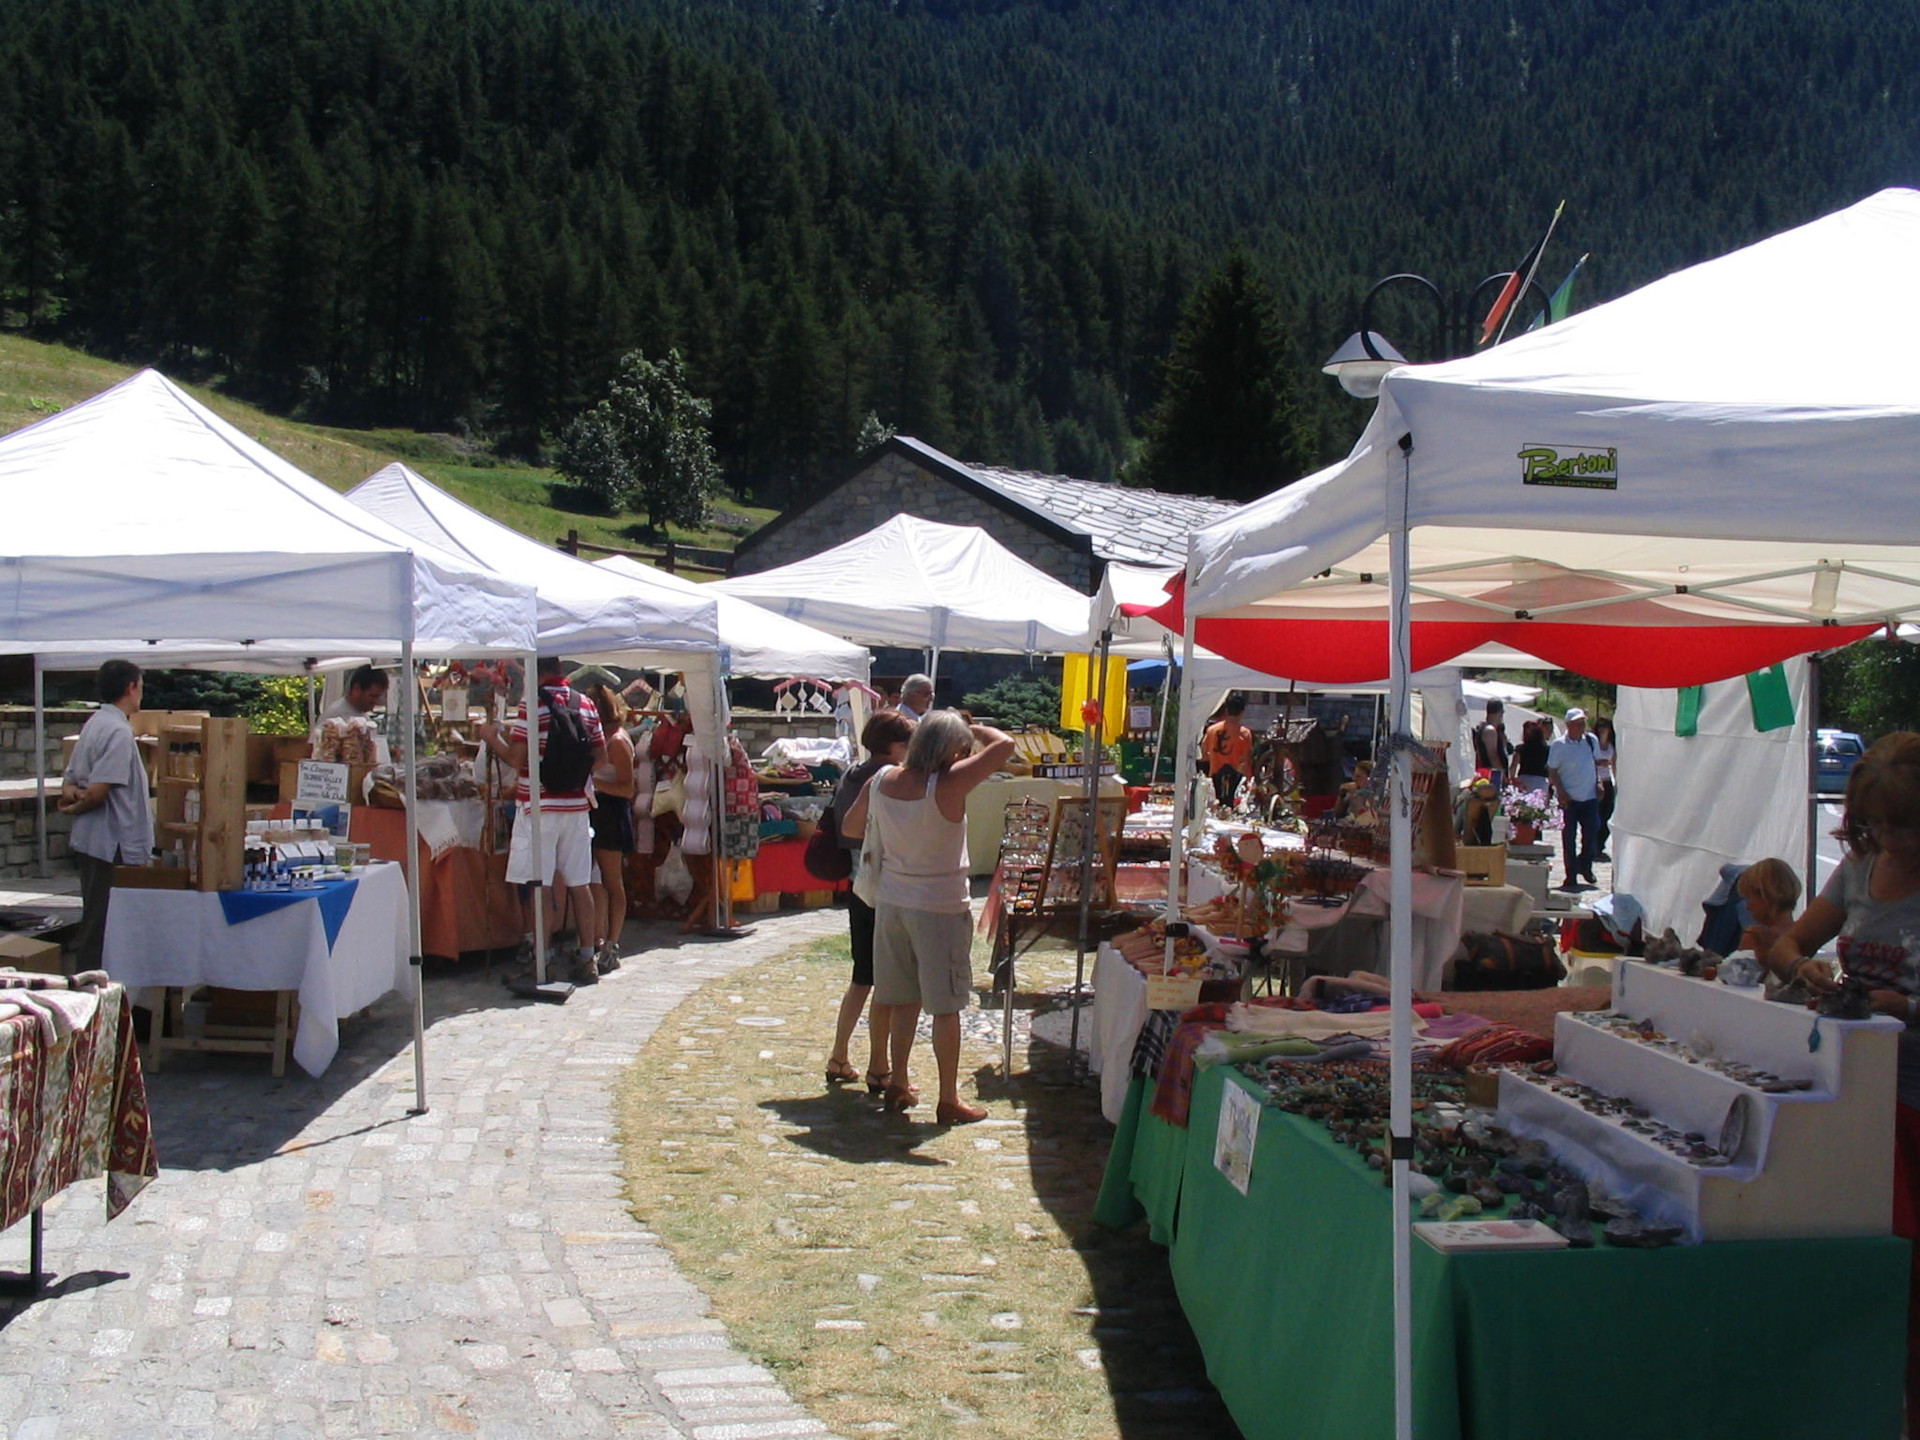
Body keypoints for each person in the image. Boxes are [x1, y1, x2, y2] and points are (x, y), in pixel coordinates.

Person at [1766, 733, 1920, 1416]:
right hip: (1856, 1088)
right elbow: (1790, 940)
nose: (1889, 838)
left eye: (1902, 824)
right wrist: (1802, 965)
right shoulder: (1858, 869)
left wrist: (1907, 1006)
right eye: (1877, 824)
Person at [847, 710, 1015, 1125]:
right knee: (945, 1007)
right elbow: (1005, 746)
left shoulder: (883, 779)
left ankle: (899, 1081)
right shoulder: (950, 782)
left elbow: (852, 827)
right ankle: (947, 1098)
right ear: (950, 748)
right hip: (939, 906)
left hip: (892, 903)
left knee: (901, 998)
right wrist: (970, 725)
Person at [476, 657, 607, 987]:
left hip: (538, 806)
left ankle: (541, 960)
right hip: (577, 806)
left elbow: (517, 759)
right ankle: (587, 956)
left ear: (535, 671)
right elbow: (601, 757)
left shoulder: (532, 706)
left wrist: (491, 738)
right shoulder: (586, 704)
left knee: (539, 884)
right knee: (579, 882)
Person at [824, 709, 917, 1094]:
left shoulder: (853, 773)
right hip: (878, 884)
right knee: (885, 980)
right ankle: (879, 1065)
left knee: (863, 977)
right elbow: (857, 830)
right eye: (906, 743)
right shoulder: (884, 779)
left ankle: (840, 1054)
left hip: (858, 883)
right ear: (893, 746)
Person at [58, 660, 153, 973]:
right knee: (102, 924)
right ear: (131, 687)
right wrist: (77, 803)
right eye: (140, 686)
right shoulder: (116, 731)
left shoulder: (95, 723)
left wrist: (74, 796)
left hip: (96, 840)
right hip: (110, 842)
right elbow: (98, 791)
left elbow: (72, 781)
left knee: (97, 917)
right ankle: (91, 991)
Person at [587, 684, 636, 975]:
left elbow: (628, 788)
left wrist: (595, 784)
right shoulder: (598, 738)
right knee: (593, 879)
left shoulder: (617, 741)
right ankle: (597, 937)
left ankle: (613, 942)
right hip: (594, 809)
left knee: (612, 880)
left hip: (611, 811)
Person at [1548, 707, 1601, 891]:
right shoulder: (1559, 745)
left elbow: (1595, 763)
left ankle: (1585, 865)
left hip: (1589, 797)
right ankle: (1571, 874)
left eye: (1583, 723)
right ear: (1569, 725)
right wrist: (1560, 791)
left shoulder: (1590, 741)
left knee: (1592, 833)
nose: (1581, 726)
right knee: (1568, 837)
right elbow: (1552, 770)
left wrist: (1599, 782)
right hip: (1569, 799)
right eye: (1578, 724)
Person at [1736, 857, 1801, 958]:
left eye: (1749, 898)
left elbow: (1741, 972)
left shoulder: (1756, 937)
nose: (1748, 906)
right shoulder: (1806, 934)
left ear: (1766, 896)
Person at [1203, 693, 1254, 807]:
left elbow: (1203, 751)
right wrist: (1248, 779)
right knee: (1232, 807)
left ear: (1227, 710)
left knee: (1215, 807)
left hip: (1214, 775)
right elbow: (1246, 759)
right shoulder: (1245, 733)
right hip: (1235, 778)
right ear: (1242, 712)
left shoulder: (1211, 730)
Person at [1592, 716, 1618, 861]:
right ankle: (1593, 844)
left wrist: (1617, 782)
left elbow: (1614, 764)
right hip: (1595, 781)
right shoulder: (1593, 744)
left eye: (1605, 728)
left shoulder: (1611, 746)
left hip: (1607, 782)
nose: (1603, 730)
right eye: (1601, 728)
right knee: (1596, 814)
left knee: (1607, 814)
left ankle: (1600, 844)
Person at [1472, 700, 1513, 788]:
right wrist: (1503, 776)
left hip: (1489, 772)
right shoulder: (1490, 730)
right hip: (1493, 775)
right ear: (1500, 712)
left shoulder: (1487, 728)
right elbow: (1493, 755)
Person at [1514, 719, 1552, 794]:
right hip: (1540, 781)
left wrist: (1512, 778)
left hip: (1524, 779)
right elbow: (1551, 766)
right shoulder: (1547, 749)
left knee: (1522, 803)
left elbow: (1514, 765)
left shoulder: (1521, 748)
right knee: (1538, 803)